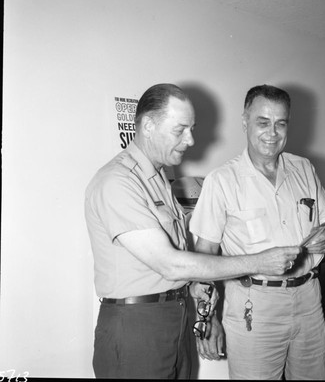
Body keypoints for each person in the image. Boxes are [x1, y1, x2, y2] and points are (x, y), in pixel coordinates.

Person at [84, 83, 300, 379]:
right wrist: (259, 262)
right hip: (137, 326)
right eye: (180, 130)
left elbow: (169, 264)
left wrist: (194, 289)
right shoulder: (117, 181)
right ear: (148, 125)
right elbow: (169, 263)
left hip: (175, 316)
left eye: (191, 128)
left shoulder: (159, 177)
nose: (190, 139)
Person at [189, 84, 325, 380]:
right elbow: (203, 258)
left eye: (280, 123)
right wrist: (206, 320)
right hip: (254, 306)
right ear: (245, 121)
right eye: (262, 122)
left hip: (310, 300)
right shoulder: (222, 180)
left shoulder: (304, 168)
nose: (272, 133)